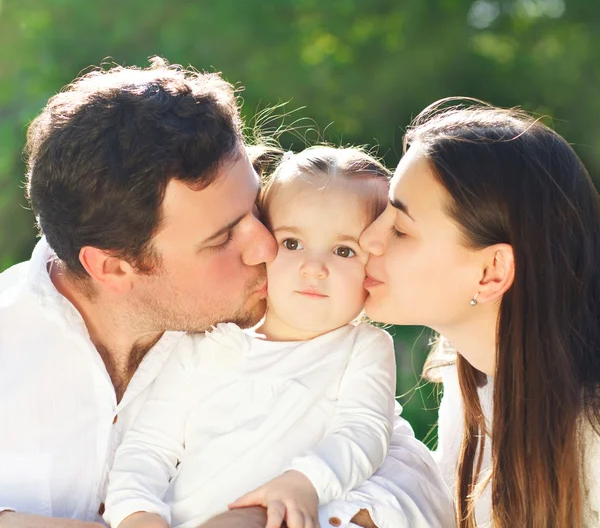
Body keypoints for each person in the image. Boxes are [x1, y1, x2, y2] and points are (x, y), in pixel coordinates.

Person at [0, 59, 454, 528]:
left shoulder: (293, 335)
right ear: (115, 267)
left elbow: (407, 477)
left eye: (255, 209)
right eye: (221, 238)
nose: (266, 246)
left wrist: (264, 518)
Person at [103, 146, 395, 528]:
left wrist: (306, 481)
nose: (313, 268)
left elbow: (364, 431)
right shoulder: (202, 346)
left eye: (344, 250)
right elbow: (148, 448)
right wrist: (137, 513)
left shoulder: (363, 348)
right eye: (292, 243)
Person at [359, 99, 600, 527]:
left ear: (491, 272)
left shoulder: (592, 439)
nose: (368, 240)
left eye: (399, 228)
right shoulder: (468, 385)